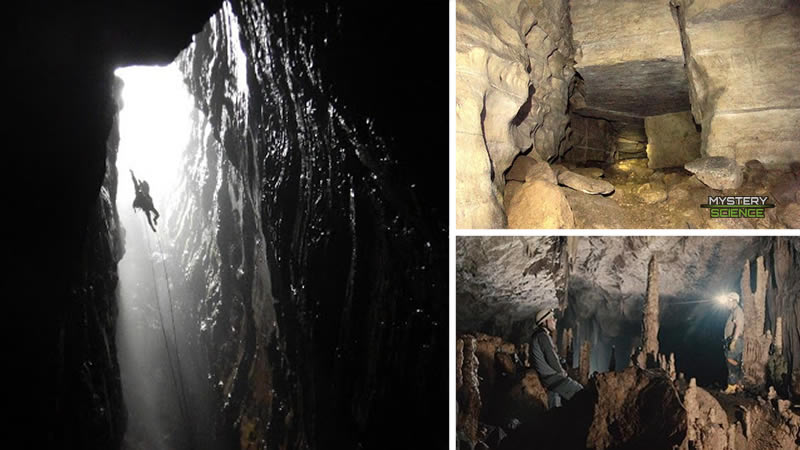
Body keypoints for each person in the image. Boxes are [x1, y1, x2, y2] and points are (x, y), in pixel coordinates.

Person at [530, 308, 583, 409]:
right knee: (580, 392)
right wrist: (562, 372)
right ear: (545, 322)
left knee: (555, 407)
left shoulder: (538, 336)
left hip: (548, 379)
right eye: (552, 318)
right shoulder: (542, 336)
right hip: (553, 378)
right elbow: (551, 358)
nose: (555, 320)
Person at [722, 292, 744, 394]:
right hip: (733, 340)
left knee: (731, 362)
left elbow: (739, 326)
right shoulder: (733, 312)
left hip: (735, 340)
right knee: (735, 363)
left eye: (728, 300)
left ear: (733, 300)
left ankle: (731, 387)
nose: (726, 303)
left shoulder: (737, 311)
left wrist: (734, 341)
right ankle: (738, 385)